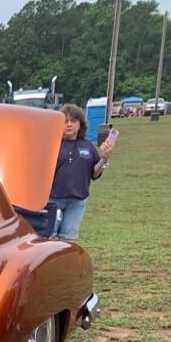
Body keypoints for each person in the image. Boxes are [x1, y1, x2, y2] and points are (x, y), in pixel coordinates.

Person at [49, 103, 112, 240]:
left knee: (69, 240)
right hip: (52, 201)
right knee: (47, 239)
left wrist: (104, 158)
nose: (69, 125)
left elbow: (94, 173)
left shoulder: (87, 145)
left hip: (77, 202)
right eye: (65, 121)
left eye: (74, 121)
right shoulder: (51, 145)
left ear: (80, 124)